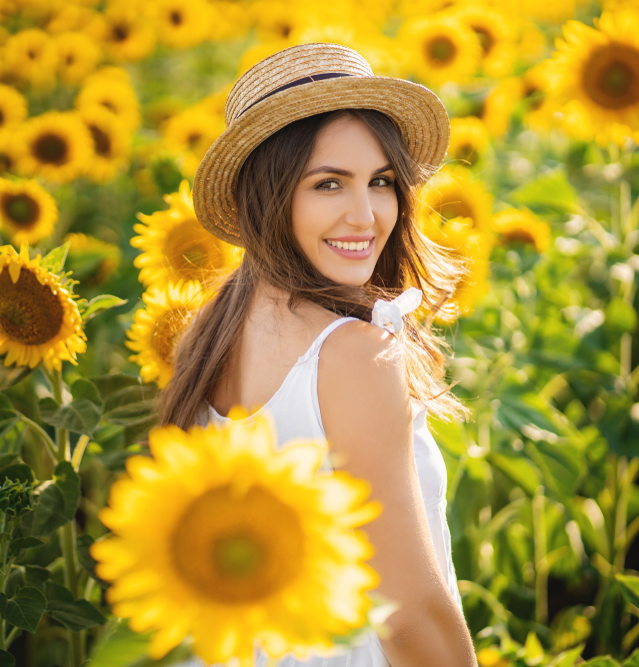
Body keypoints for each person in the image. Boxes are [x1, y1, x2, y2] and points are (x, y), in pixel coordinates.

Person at [160, 43, 477, 667]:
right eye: (328, 183)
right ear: (269, 195)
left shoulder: (213, 333)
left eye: (381, 182)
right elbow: (409, 611)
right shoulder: (354, 355)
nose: (366, 215)